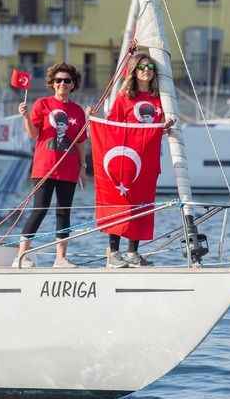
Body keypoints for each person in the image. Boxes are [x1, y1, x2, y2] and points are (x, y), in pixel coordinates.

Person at [13, 63, 88, 268]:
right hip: (44, 167)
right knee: (39, 209)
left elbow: (80, 142)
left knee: (64, 211)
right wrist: (26, 116)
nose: (62, 84)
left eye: (67, 81)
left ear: (73, 85)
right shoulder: (42, 104)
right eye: (58, 80)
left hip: (69, 169)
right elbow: (33, 134)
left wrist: (82, 167)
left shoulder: (78, 111)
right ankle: (21, 256)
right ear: (52, 84)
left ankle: (60, 258)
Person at [103, 52, 173, 268]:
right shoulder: (125, 98)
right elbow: (112, 127)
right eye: (142, 66)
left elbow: (155, 129)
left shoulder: (159, 99)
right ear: (134, 71)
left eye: (151, 66)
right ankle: (114, 253)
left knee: (142, 205)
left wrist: (165, 127)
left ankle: (133, 252)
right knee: (121, 204)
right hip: (126, 160)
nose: (147, 70)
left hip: (149, 161)